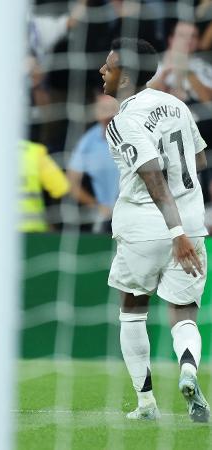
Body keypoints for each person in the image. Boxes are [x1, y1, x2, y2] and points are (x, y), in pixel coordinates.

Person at [100, 37, 210, 422]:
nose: (102, 70)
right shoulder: (175, 104)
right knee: (184, 314)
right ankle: (189, 369)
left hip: (149, 227)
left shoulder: (122, 121)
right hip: (193, 222)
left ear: (126, 77)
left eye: (109, 66)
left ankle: (146, 403)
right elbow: (198, 158)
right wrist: (185, 224)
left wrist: (174, 230)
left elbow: (151, 175)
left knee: (132, 309)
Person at [67, 94, 120, 232]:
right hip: (104, 215)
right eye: (103, 109)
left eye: (112, 109)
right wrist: (96, 205)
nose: (109, 115)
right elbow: (71, 182)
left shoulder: (135, 136)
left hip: (135, 210)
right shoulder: (87, 142)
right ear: (96, 114)